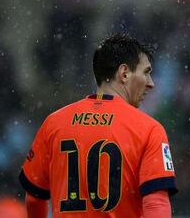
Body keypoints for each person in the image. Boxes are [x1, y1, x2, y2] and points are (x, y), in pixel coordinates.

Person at [19, 34, 178, 217]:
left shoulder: (54, 123)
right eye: (146, 72)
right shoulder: (149, 129)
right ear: (124, 73)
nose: (151, 83)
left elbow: (34, 198)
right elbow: (156, 204)